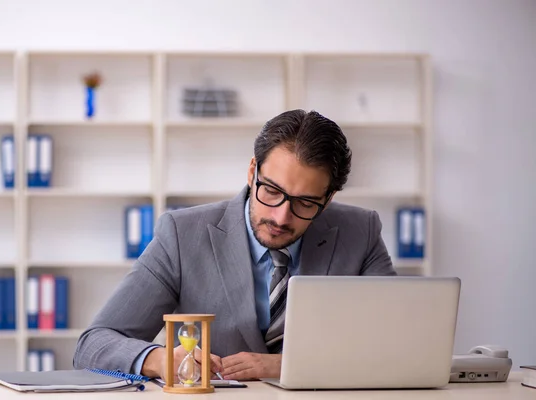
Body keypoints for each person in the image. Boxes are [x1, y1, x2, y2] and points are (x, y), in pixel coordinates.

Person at [73, 109, 396, 381]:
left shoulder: (360, 231)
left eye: (306, 202)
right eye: (271, 191)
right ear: (252, 171)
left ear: (328, 199)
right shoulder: (182, 234)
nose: (281, 216)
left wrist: (285, 366)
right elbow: (94, 344)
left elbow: (394, 345)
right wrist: (161, 360)